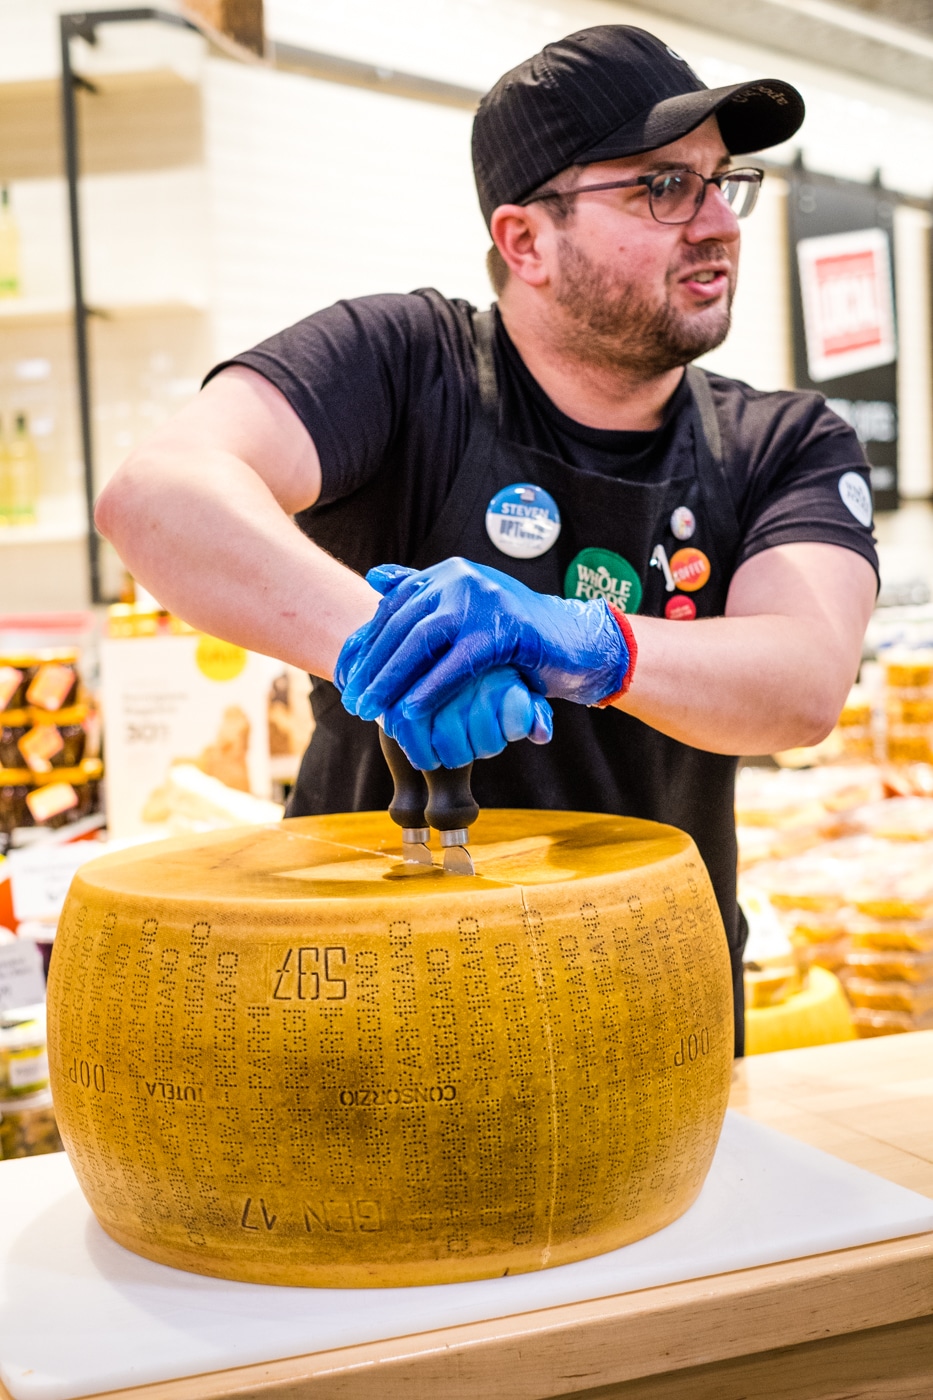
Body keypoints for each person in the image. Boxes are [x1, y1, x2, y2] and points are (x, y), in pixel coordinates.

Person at [95, 26, 879, 1054]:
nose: (717, 223)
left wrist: (592, 642)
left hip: (650, 1008)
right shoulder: (401, 363)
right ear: (524, 241)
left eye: (720, 182)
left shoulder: (782, 442)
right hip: (361, 1009)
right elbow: (155, 494)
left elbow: (804, 680)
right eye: (659, 188)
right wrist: (397, 648)